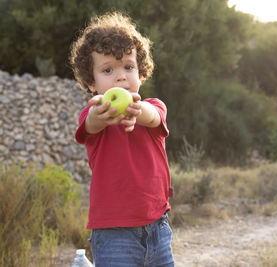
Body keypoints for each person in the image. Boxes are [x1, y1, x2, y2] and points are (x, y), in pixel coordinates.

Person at [70, 11, 174, 266]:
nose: (121, 76)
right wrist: (101, 114)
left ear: (141, 73)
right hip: (113, 234)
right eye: (108, 70)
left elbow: (153, 117)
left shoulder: (152, 107)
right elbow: (90, 124)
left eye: (129, 66)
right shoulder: (93, 113)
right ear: (91, 82)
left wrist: (137, 112)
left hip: (157, 228)